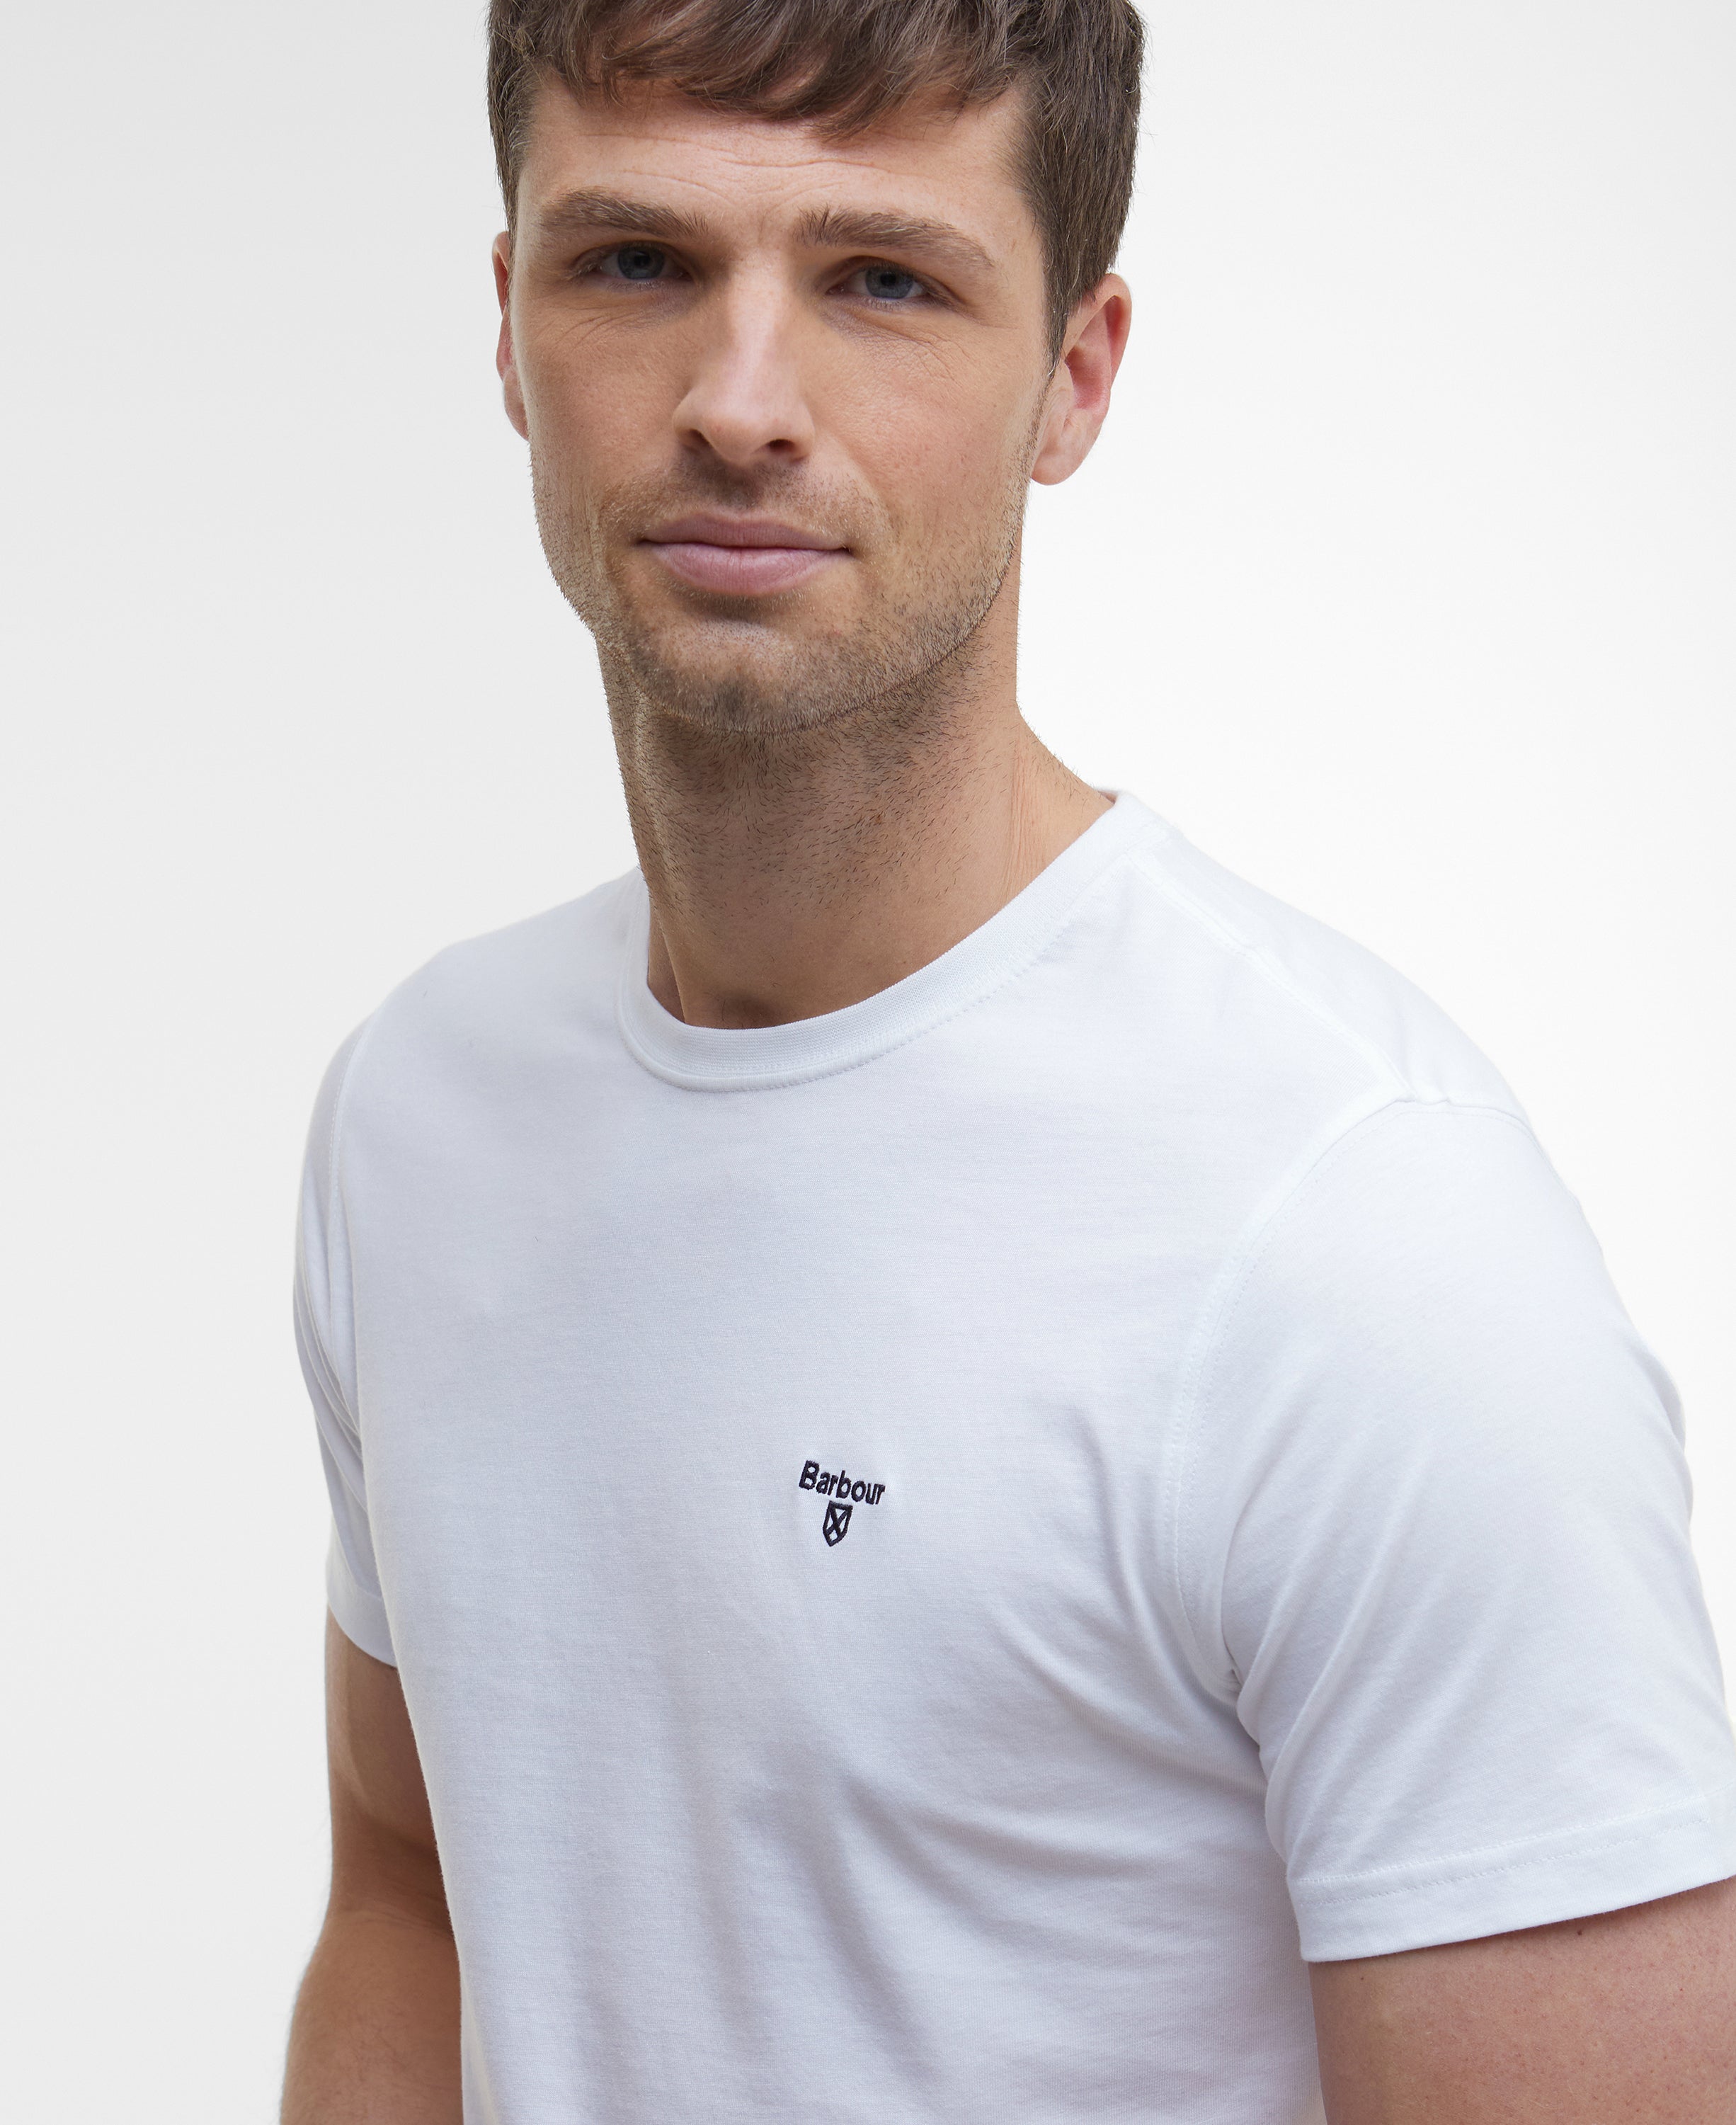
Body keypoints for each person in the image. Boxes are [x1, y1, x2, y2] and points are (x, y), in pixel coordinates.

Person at [281, 2, 1736, 2118]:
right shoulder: (418, 1113)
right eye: (638, 261)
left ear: (1076, 372)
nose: (739, 402)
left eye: (883, 280)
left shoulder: (1364, 1241)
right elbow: (412, 1899)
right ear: (508, 320)